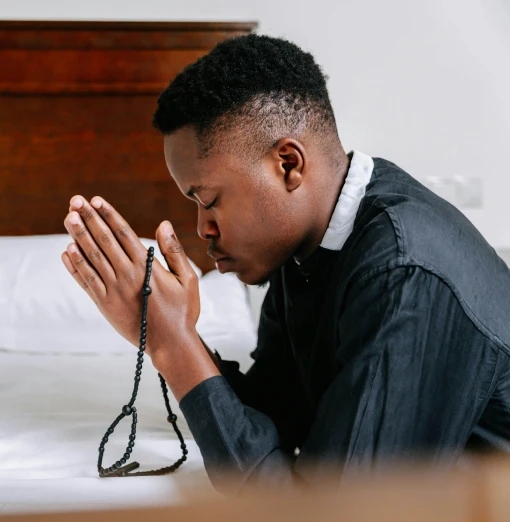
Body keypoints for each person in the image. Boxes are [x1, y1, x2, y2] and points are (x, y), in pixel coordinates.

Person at [59, 34, 510, 494]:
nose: (202, 229)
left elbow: (318, 512)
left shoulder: (404, 272)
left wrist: (172, 346)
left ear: (289, 164)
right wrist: (176, 334)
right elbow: (276, 418)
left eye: (210, 201)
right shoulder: (308, 247)